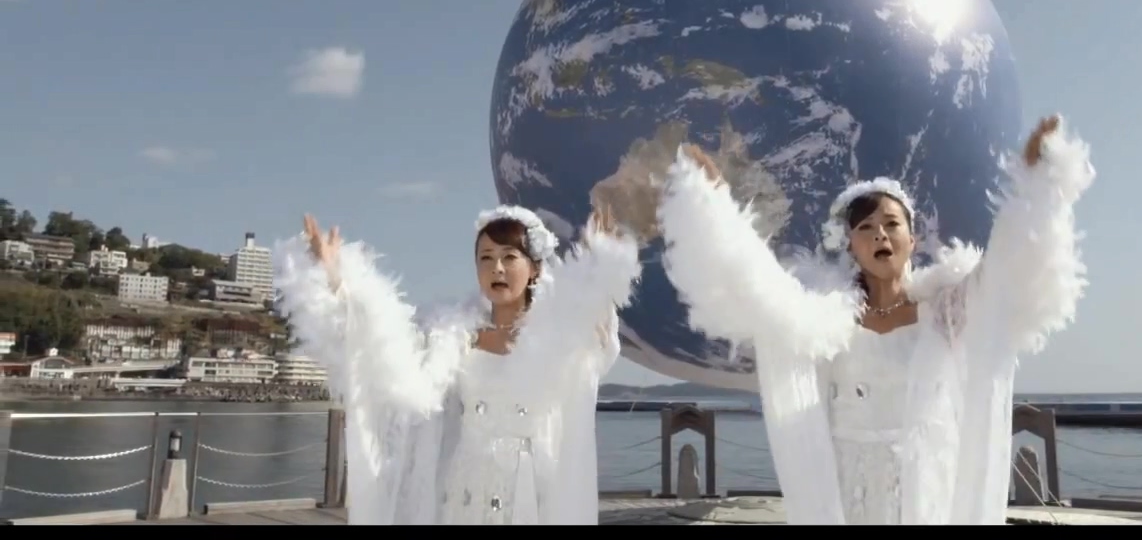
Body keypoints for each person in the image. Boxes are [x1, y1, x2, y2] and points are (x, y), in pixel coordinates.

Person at [656, 115, 1095, 524]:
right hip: (850, 490)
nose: (880, 234)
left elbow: (1004, 276)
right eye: (865, 227)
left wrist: (1033, 186)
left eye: (891, 224)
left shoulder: (946, 313)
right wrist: (715, 208)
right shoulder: (825, 319)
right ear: (851, 246)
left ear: (912, 239)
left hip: (925, 489)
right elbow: (764, 293)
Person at [273, 203, 641, 525]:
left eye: (509, 257)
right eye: (486, 258)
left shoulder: (557, 337)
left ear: (534, 268)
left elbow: (597, 340)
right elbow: (382, 354)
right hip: (463, 489)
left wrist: (600, 270)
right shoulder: (452, 337)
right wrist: (337, 279)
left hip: (528, 492)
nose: (497, 268)